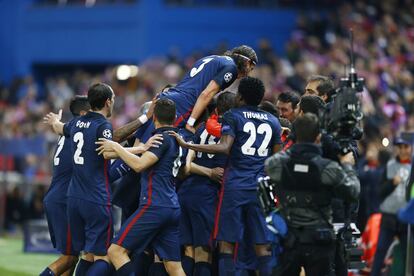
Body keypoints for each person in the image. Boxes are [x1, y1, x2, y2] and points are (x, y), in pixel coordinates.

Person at [170, 77, 283, 275]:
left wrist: (189, 145)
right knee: (261, 244)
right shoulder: (273, 121)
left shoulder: (233, 116)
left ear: (240, 96)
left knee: (226, 244)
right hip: (260, 188)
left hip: (235, 187)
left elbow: (224, 147)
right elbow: (276, 160)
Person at [96, 98, 186, 276]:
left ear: (154, 118)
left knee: (115, 251)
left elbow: (139, 165)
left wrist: (115, 145)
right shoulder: (177, 139)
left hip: (154, 206)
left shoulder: (161, 138)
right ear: (175, 117)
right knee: (174, 267)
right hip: (171, 206)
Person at [265, 113, 360, 276]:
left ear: (295, 136)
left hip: (289, 238)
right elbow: (353, 191)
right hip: (319, 239)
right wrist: (347, 165)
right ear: (318, 138)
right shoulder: (328, 168)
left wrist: (291, 147)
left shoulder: (278, 164)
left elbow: (269, 164)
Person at [44, 83, 117, 276]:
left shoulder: (74, 126)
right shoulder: (101, 125)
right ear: (107, 102)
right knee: (97, 256)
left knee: (82, 255)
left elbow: (59, 128)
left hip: (70, 198)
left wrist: (54, 121)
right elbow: (109, 149)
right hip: (90, 196)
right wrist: (141, 150)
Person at [135, 45, 257, 148]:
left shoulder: (214, 58)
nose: (248, 73)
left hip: (170, 96)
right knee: (151, 148)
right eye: (250, 68)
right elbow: (206, 94)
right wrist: (191, 123)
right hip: (182, 104)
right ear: (247, 62)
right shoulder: (232, 69)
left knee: (137, 146)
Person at [178, 91, 236, 276]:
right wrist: (210, 172)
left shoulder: (202, 128)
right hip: (206, 196)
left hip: (185, 193)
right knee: (204, 252)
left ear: (217, 109)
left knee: (188, 250)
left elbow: (185, 166)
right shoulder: (233, 133)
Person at [40, 96, 90, 276]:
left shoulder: (68, 131)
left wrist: (56, 121)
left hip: (56, 197)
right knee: (69, 257)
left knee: (72, 256)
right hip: (64, 201)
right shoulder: (82, 131)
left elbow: (58, 127)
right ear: (84, 113)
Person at [371, 137, 412, 276]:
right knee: (381, 250)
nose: (403, 150)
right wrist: (391, 183)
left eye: (406, 147)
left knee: (409, 254)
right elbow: (379, 191)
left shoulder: (412, 167)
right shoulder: (390, 165)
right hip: (389, 216)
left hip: (406, 218)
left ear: (411, 148)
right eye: (400, 147)